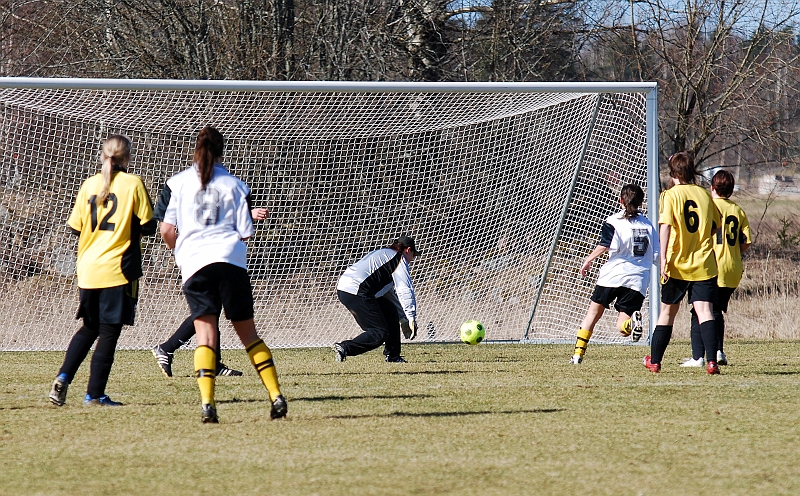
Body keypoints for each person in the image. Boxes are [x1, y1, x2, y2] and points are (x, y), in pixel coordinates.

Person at [159, 126, 286, 423]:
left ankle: (207, 405)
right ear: (222, 151)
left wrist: (181, 252)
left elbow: (166, 230)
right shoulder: (236, 185)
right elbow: (245, 232)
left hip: (195, 265)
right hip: (230, 263)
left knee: (205, 335)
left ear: (196, 149)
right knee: (249, 336)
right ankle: (276, 395)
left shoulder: (176, 183)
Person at [49, 135, 156, 407]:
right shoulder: (133, 183)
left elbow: (75, 227)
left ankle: (63, 376)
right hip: (117, 269)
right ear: (127, 157)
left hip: (87, 268)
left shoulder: (88, 185)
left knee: (89, 328)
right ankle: (94, 394)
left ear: (102, 155)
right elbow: (148, 225)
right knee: (109, 331)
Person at [150, 186, 268, 377]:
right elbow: (215, 222)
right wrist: (248, 215)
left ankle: (211, 362)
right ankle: (167, 348)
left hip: (210, 257)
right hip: (202, 258)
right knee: (207, 310)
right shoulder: (192, 186)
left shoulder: (209, 188)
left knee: (211, 310)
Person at [644, 151, 722, 374]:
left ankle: (656, 361)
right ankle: (712, 362)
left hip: (677, 264)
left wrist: (664, 258)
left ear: (673, 172)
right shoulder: (704, 195)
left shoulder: (669, 195)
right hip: (704, 263)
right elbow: (716, 225)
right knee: (705, 311)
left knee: (667, 313)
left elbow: (666, 227)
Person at [570, 184, 658, 364]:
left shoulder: (613, 221)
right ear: (641, 202)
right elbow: (657, 254)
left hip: (612, 275)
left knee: (592, 315)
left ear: (620, 200)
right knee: (622, 328)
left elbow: (605, 244)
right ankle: (631, 323)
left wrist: (588, 260)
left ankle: (578, 355)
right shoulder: (648, 225)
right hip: (637, 280)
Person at [681, 169, 751, 368]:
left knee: (699, 310)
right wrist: (733, 252)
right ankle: (718, 351)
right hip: (732, 267)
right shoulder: (738, 210)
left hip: (711, 265)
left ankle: (698, 357)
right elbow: (745, 241)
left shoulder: (708, 206)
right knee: (716, 310)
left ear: (712, 187)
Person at [333, 236, 420, 363]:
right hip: (357, 290)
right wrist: (411, 316)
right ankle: (345, 348)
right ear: (408, 250)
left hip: (344, 289)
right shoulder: (399, 259)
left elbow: (389, 296)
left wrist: (403, 318)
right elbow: (405, 289)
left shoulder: (384, 255)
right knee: (379, 332)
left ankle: (393, 356)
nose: (412, 259)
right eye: (413, 254)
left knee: (390, 310)